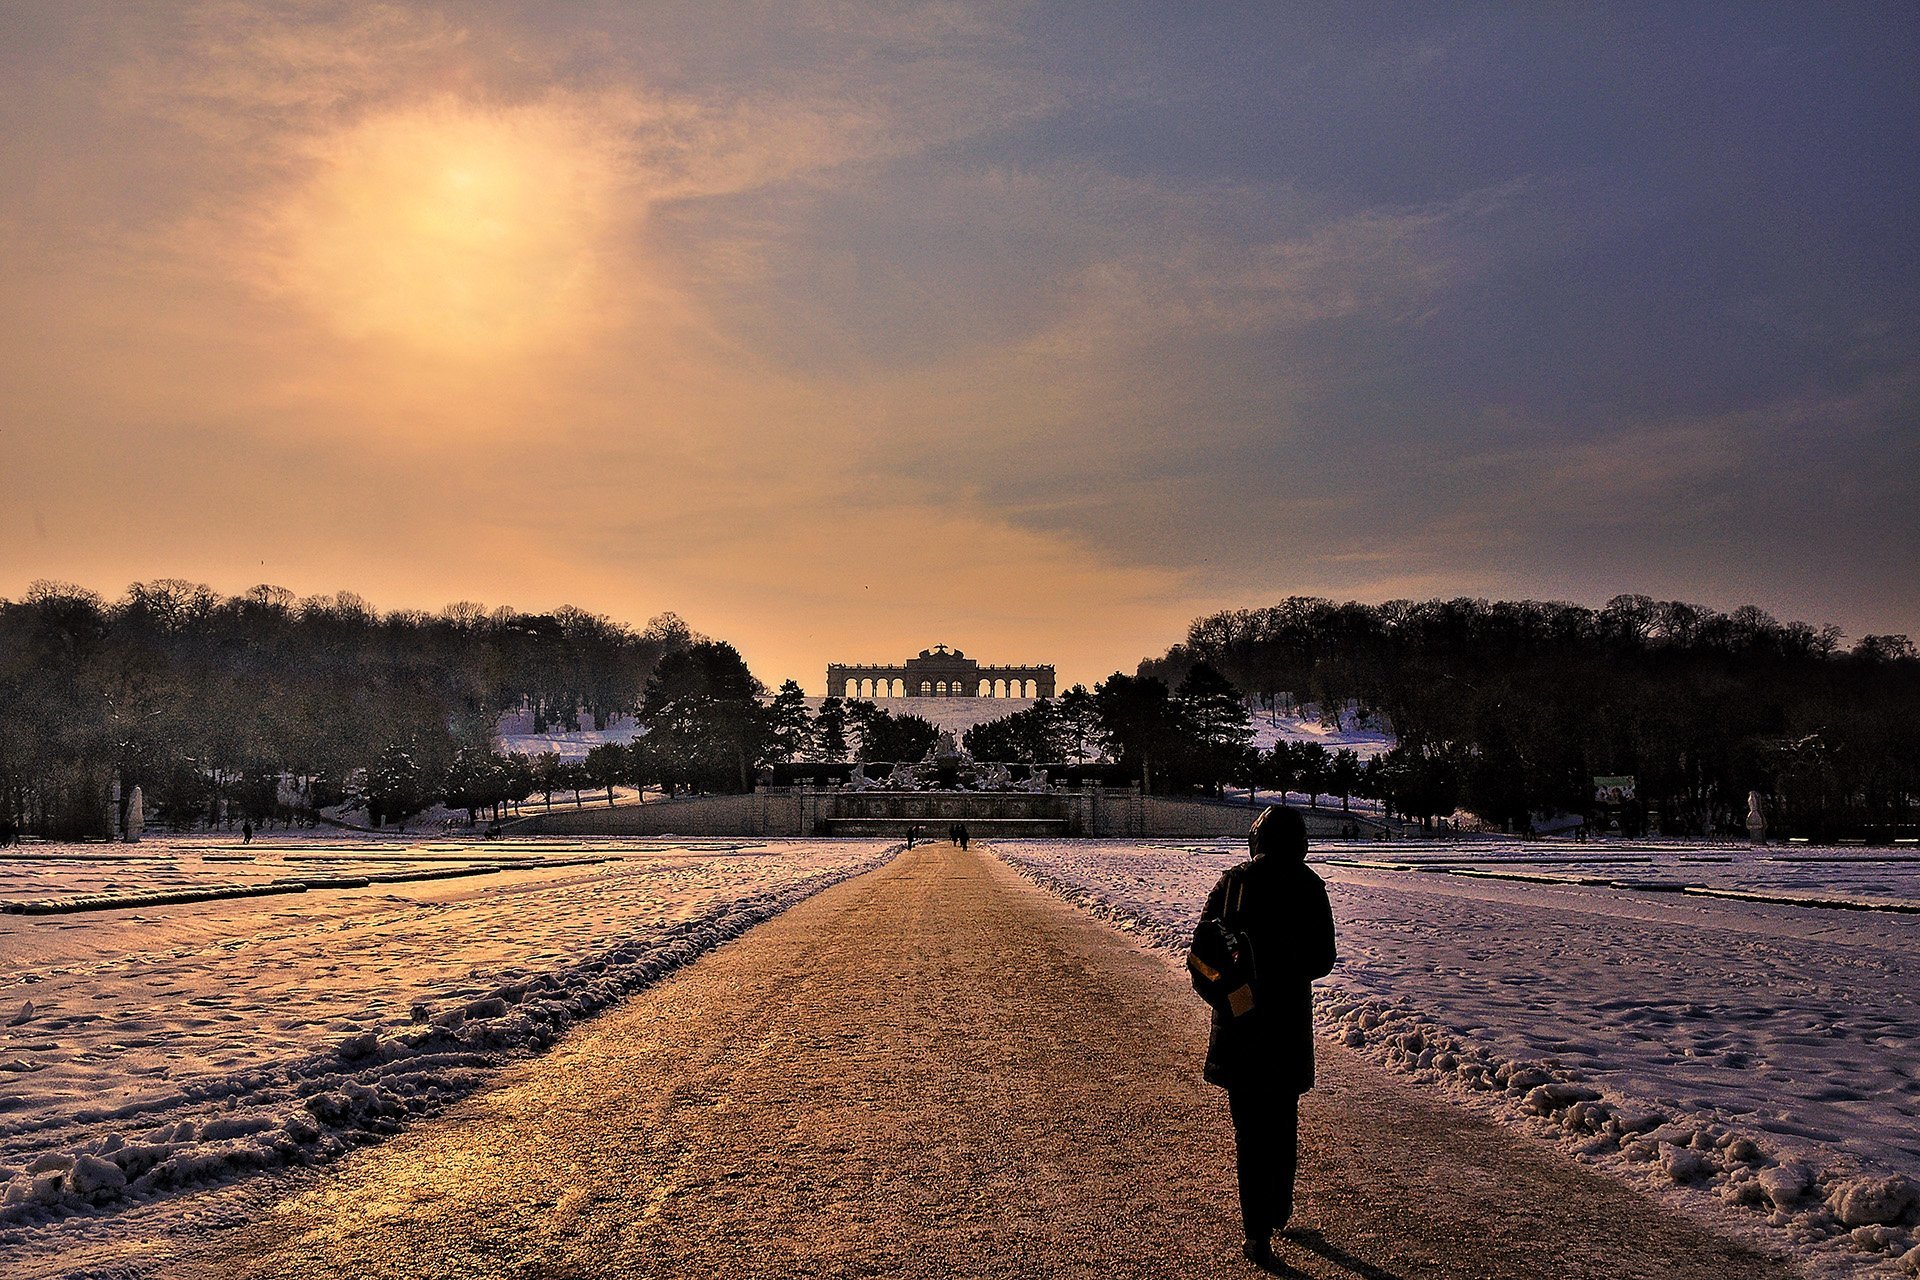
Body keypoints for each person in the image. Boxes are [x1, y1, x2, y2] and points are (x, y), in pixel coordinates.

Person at [1190, 805, 1336, 1269]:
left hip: (1241, 1026)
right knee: (1283, 1123)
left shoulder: (1233, 883)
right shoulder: (1309, 886)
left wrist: (1233, 997)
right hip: (1287, 1024)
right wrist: (1286, 966)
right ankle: (1278, 1208)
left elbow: (1200, 956)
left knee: (1250, 1133)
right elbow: (1323, 959)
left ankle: (1256, 1233)